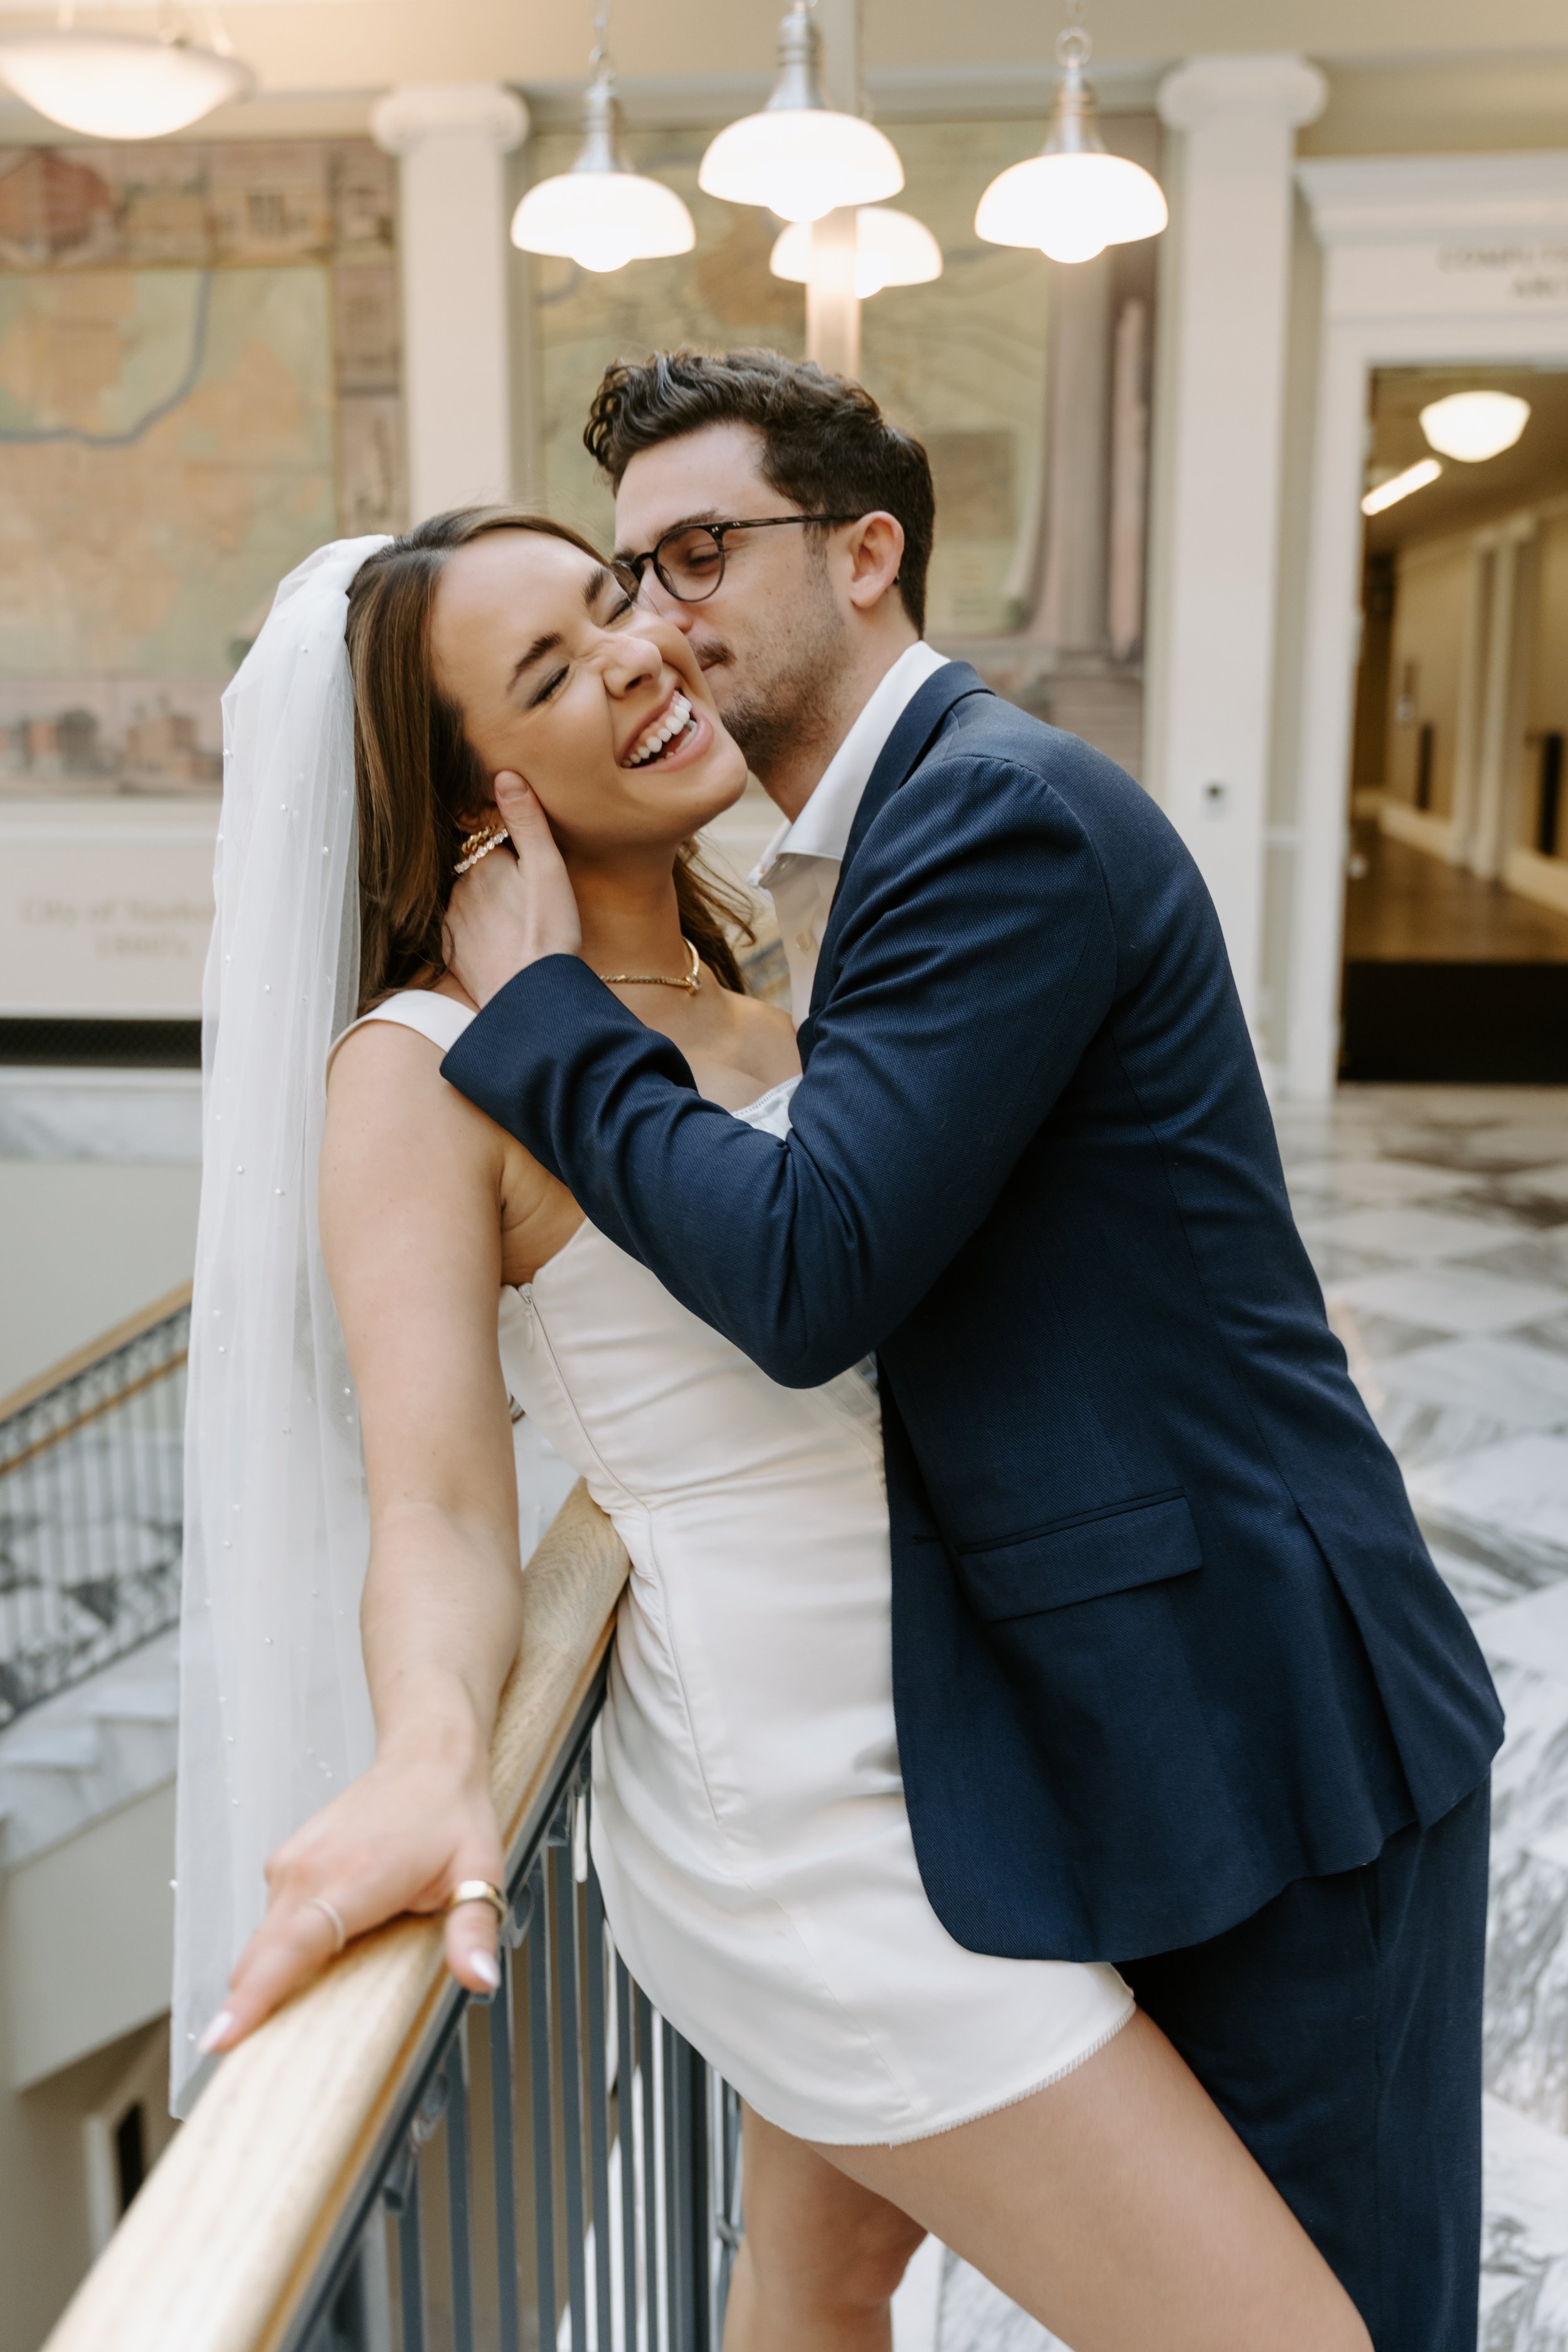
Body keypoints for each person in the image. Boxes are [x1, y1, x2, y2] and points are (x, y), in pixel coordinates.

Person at [181, 513, 1373, 2352]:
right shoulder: (421, 1066)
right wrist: (430, 1750)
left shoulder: (757, 995)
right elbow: (437, 1506)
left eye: (614, 603)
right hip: (806, 1816)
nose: (635, 655)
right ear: (477, 800)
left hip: (965, 1746)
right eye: (550, 674)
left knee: (822, 2285)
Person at [433, 351, 1505, 2352]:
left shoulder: (989, 817)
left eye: (698, 553)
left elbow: (811, 1272)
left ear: (864, 554)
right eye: (631, 572)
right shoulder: (894, 832)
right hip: (1119, 1707)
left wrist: (550, 1016)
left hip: (1262, 1713)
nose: (657, 621)